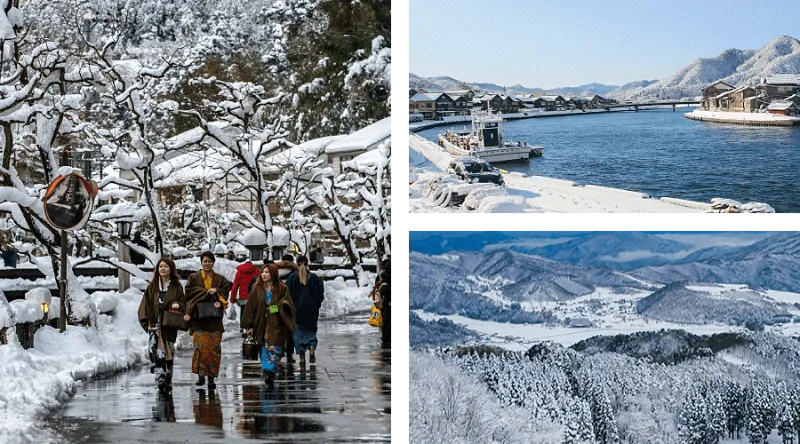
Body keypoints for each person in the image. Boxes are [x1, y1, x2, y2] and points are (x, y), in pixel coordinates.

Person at [241, 263, 295, 387]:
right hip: (261, 323)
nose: (264, 274)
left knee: (275, 348)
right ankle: (268, 371)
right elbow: (250, 308)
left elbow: (288, 305)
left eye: (267, 272)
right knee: (264, 348)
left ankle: (270, 369)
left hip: (276, 324)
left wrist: (273, 309)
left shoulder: (282, 288)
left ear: (273, 274)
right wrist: (250, 326)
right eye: (263, 272)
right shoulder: (256, 289)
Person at [138, 257, 186, 393]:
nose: (163, 269)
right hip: (155, 323)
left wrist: (178, 305)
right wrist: (147, 322)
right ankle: (160, 378)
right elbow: (145, 304)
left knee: (169, 351)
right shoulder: (152, 286)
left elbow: (183, 303)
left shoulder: (176, 286)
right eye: (160, 267)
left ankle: (168, 376)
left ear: (171, 269)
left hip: (169, 323)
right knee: (156, 350)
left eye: (166, 266)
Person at [184, 251, 231, 390]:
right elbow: (189, 292)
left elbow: (225, 291)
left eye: (210, 261)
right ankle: (200, 375)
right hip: (198, 317)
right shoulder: (193, 277)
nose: (207, 264)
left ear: (213, 262)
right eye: (205, 261)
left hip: (214, 318)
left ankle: (211, 378)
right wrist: (205, 292)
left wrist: (216, 291)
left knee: (214, 349)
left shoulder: (220, 279)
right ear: (201, 262)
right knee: (200, 348)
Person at [286, 255, 324, 368]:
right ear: (307, 264)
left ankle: (302, 359)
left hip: (297, 312)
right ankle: (311, 348)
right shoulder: (315, 278)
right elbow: (320, 296)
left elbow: (288, 295)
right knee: (311, 333)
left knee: (298, 335)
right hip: (312, 311)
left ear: (296, 264)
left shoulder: (292, 278)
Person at [275, 255, 299, 363]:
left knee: (277, 328)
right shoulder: (295, 274)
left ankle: (278, 351)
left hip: (274, 306)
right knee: (290, 329)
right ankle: (289, 353)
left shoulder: (274, 272)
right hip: (290, 306)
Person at [379, 258, 392, 347]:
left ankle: (386, 338)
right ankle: (387, 339)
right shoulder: (387, 278)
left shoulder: (384, 276)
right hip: (389, 303)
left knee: (386, 322)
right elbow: (384, 290)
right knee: (388, 322)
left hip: (387, 304)